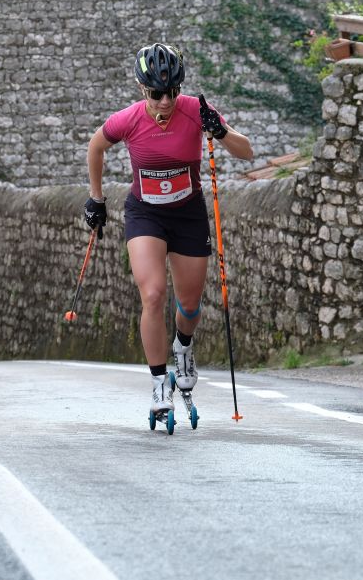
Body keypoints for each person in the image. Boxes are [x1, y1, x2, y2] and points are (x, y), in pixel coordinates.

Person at [83, 43, 254, 416]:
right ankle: (160, 383)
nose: (165, 101)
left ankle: (184, 347)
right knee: (153, 294)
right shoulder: (128, 119)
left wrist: (220, 132)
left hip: (188, 214)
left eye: (172, 92)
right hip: (146, 214)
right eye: (156, 93)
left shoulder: (195, 110)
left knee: (189, 306)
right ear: (142, 89)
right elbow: (96, 147)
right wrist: (96, 198)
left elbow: (246, 151)